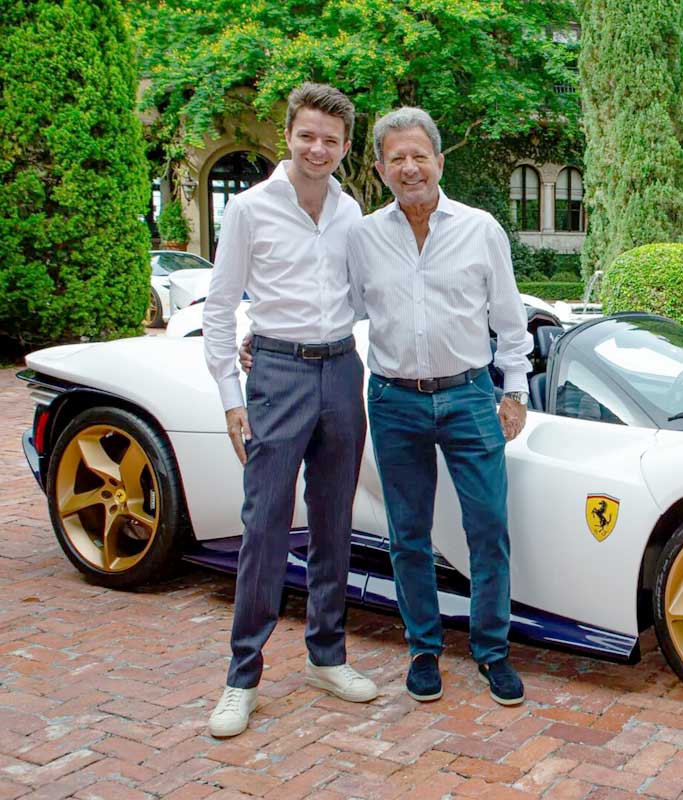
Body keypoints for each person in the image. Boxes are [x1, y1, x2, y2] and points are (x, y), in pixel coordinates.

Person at [202, 83, 378, 738]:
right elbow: (220, 307)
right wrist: (231, 396)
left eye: (330, 140)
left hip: (342, 369)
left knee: (334, 522)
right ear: (289, 135)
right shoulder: (250, 209)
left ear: (345, 146)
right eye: (307, 135)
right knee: (265, 525)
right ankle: (241, 676)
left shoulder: (352, 213)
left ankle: (326, 657)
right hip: (277, 373)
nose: (317, 149)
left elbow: (365, 298)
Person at [347, 107, 532, 706]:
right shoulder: (364, 237)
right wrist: (266, 334)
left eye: (419, 155)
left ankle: (493, 651)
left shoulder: (480, 229)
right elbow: (337, 307)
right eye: (396, 158)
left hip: (469, 396)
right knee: (407, 533)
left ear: (439, 161)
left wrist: (515, 391)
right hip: (393, 400)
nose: (410, 168)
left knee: (488, 528)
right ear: (381, 169)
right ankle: (423, 649)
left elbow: (510, 320)